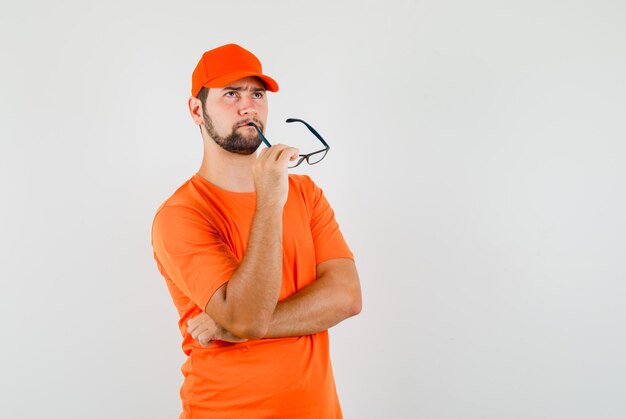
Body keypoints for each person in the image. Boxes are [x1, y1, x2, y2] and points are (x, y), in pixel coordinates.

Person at [151, 43, 362, 418]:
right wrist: (268, 202)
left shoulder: (306, 193)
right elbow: (248, 316)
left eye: (257, 94)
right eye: (231, 94)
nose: (248, 107)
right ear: (196, 110)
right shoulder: (180, 215)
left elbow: (346, 297)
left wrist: (231, 327)